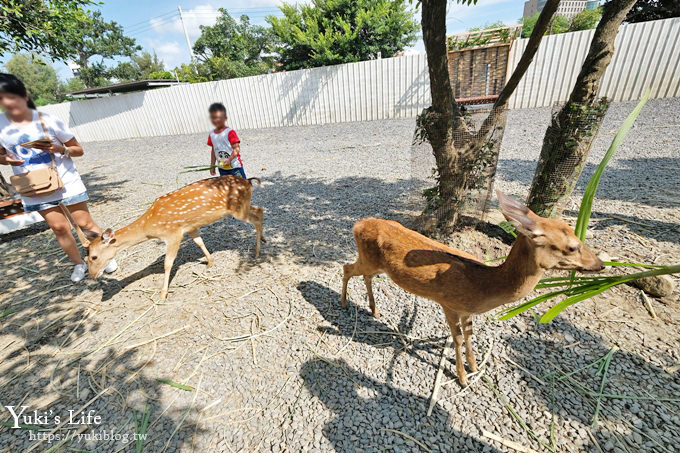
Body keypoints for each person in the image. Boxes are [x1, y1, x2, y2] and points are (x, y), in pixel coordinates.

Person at [0, 73, 117, 282]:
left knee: (85, 223)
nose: (7, 103)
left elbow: (78, 149)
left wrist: (59, 149)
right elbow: (0, 156)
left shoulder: (47, 120)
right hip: (32, 187)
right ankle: (79, 264)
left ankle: (104, 257)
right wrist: (7, 160)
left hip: (66, 181)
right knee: (58, 227)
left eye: (11, 96)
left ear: (24, 95)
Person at [206, 103, 246, 178]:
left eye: (219, 117)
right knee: (227, 188)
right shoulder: (212, 134)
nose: (216, 120)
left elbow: (237, 149)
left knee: (242, 186)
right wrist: (212, 165)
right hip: (222, 169)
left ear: (225, 118)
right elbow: (213, 150)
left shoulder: (230, 133)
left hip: (235, 167)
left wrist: (229, 159)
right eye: (213, 118)